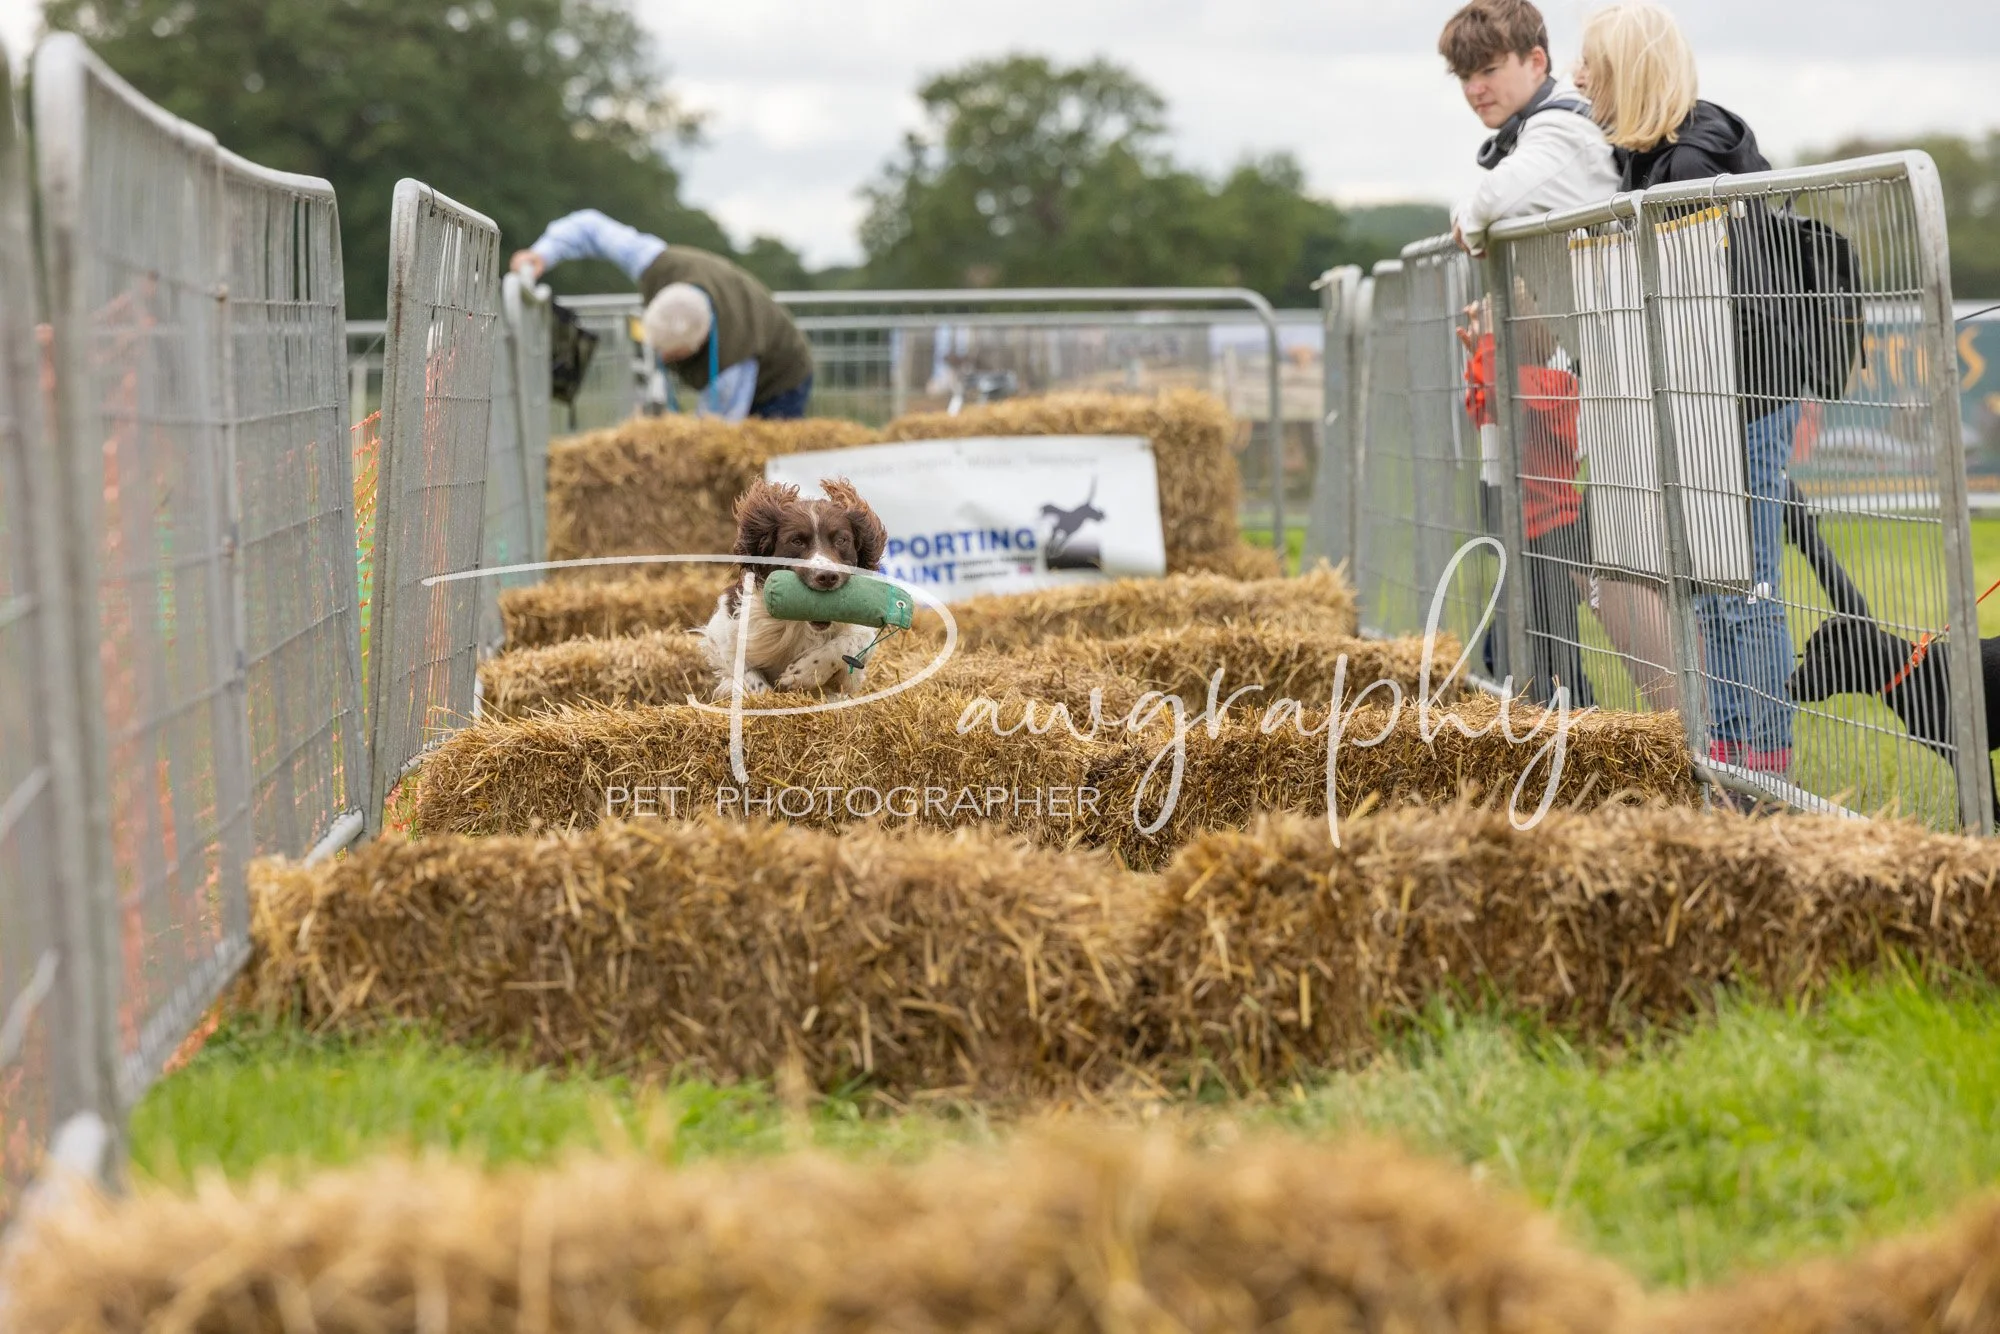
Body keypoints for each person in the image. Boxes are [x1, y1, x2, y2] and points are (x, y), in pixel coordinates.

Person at [1576, 1, 1794, 772]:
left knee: (1744, 587)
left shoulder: (1694, 161)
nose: (1577, 77)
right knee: (1708, 584)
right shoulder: (1647, 155)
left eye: (1591, 63)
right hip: (1701, 397)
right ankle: (1724, 751)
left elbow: (1706, 300)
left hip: (1742, 395)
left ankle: (1763, 760)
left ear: (1625, 71)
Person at [1440, 0, 1615, 709]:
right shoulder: (1536, 130)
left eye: (1488, 69)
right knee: (1570, 592)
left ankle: (1689, 742)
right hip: (1605, 377)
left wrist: (1474, 221)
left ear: (1536, 61)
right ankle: (1592, 718)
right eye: (1464, 76)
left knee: (1621, 583)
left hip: (1627, 379)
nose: (1475, 88)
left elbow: (1489, 201)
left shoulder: (1559, 128)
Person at [510, 209, 815, 421]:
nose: (663, 357)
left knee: (762, 477)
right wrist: (542, 253)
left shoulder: (730, 363)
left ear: (697, 345)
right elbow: (589, 227)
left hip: (781, 381)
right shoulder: (655, 263)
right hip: (743, 341)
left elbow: (715, 437)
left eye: (672, 354)